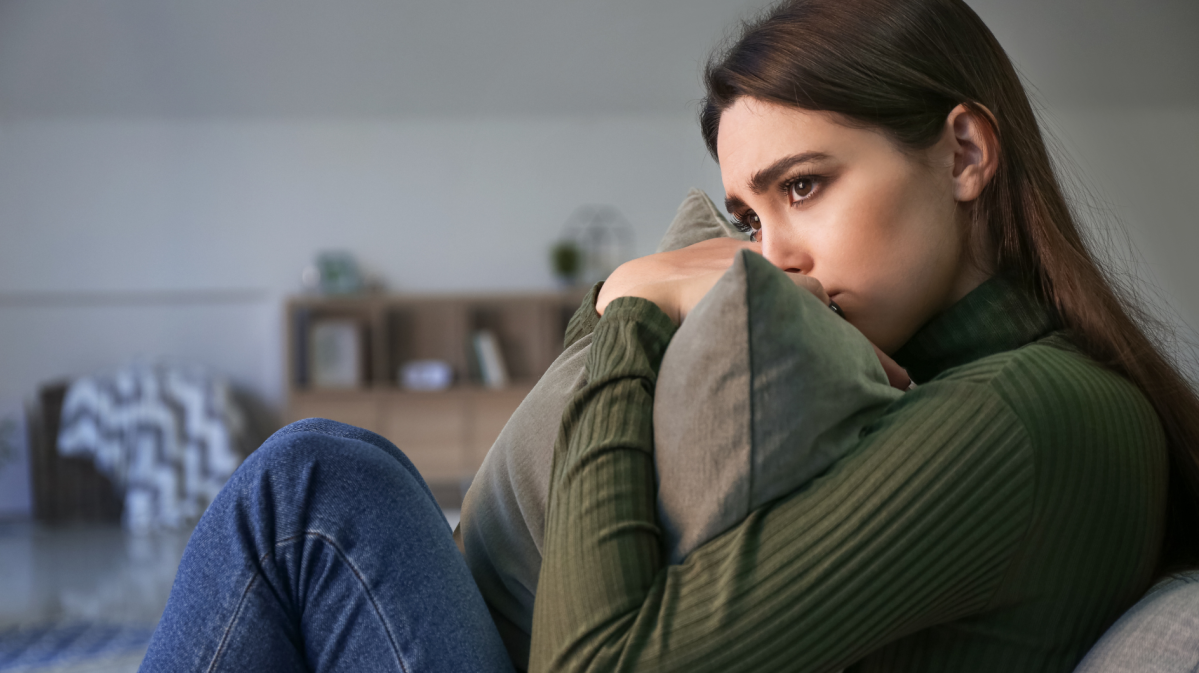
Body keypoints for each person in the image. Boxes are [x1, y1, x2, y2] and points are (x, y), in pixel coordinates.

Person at [140, 0, 1199, 671]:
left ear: (964, 154)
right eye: (748, 216)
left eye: (803, 186)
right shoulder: (917, 382)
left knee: (311, 490)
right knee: (342, 472)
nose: (769, 256)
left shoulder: (1028, 413)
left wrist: (632, 307)